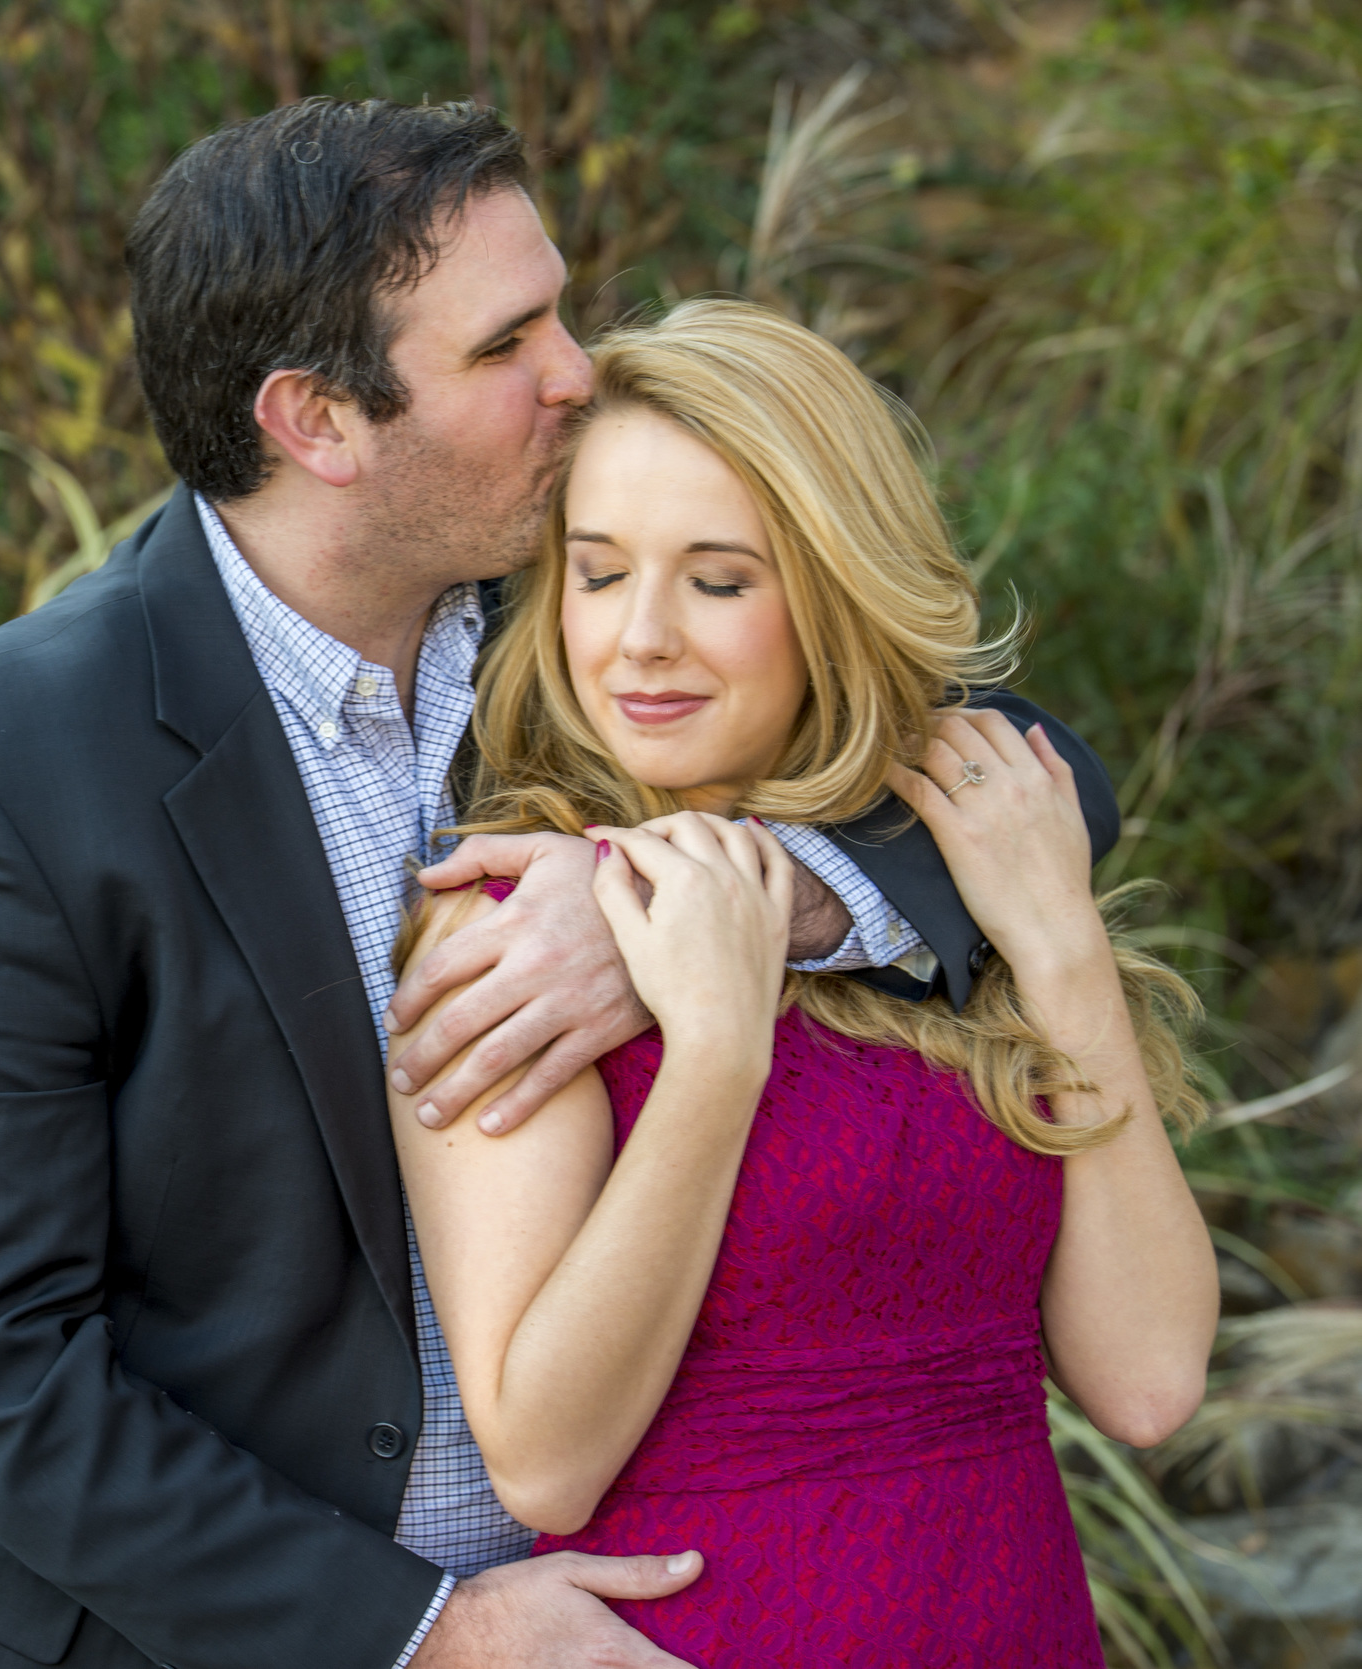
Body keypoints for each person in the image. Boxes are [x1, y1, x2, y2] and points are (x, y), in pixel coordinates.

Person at [0, 99, 1119, 1669]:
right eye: (510, 341)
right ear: (319, 421)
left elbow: (1027, 758)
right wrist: (428, 1632)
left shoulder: (578, 582)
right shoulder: (0, 771)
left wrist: (744, 888)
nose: (578, 369)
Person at [388, 299, 1219, 1667]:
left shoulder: (949, 886)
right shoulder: (523, 928)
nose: (641, 638)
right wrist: (713, 1060)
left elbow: (1146, 1378)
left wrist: (1059, 940)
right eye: (598, 573)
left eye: (718, 580)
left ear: (835, 591)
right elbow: (543, 1456)